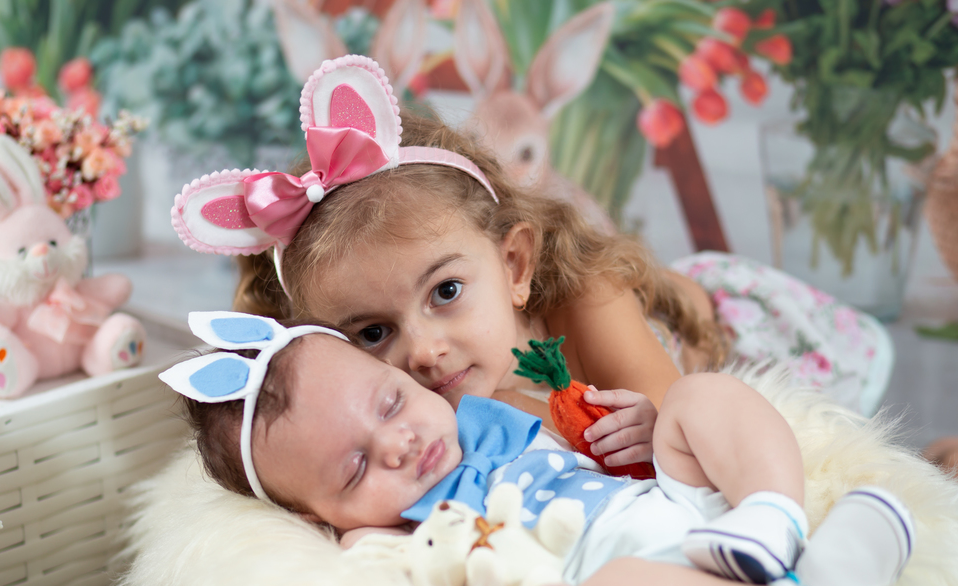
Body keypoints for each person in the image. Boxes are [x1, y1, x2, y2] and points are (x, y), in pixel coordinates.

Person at [172, 55, 886, 480]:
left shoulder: (584, 297)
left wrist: (650, 421)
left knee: (827, 435)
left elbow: (680, 420)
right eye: (372, 334)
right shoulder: (400, 417)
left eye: (446, 291)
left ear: (513, 264)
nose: (424, 351)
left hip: (726, 331)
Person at [161, 312, 915, 586]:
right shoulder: (386, 542)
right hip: (623, 571)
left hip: (677, 504)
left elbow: (601, 448)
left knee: (701, 396)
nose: (398, 444)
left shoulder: (490, 412)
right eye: (356, 467)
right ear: (318, 516)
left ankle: (773, 515)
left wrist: (650, 434)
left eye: (390, 402)